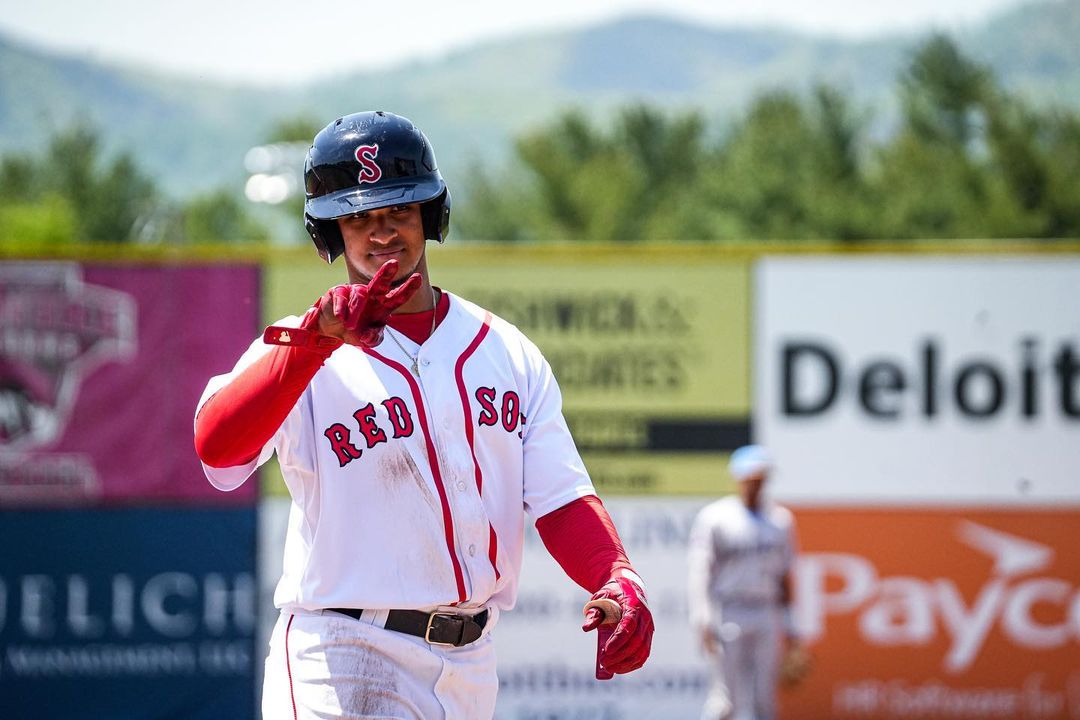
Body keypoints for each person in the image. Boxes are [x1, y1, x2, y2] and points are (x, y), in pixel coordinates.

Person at [192, 110, 653, 719]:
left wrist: (614, 574)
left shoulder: (504, 351)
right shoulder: (298, 349)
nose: (381, 232)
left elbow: (561, 498)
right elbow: (216, 447)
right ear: (330, 232)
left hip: (469, 663)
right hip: (344, 649)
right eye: (357, 217)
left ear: (430, 215)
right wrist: (314, 340)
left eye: (399, 210)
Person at [687, 445, 803, 720]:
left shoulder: (781, 520)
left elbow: (785, 575)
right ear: (738, 478)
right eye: (752, 477)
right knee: (725, 702)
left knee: (765, 702)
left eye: (762, 477)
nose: (757, 483)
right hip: (729, 611)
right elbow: (701, 572)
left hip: (765, 610)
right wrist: (702, 618)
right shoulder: (715, 517)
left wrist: (791, 624)